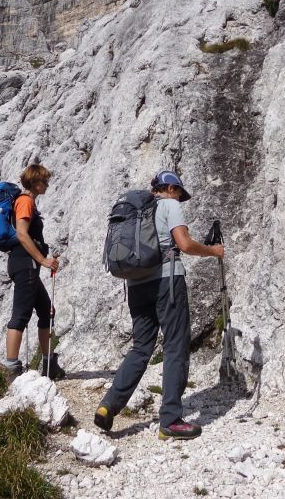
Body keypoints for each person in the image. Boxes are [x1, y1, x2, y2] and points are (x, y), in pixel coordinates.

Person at [94, 170, 224, 440]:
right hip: (167, 281)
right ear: (172, 189)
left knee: (141, 347)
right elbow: (185, 244)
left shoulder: (137, 210)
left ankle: (108, 405)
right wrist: (214, 252)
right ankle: (171, 420)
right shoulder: (170, 206)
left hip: (136, 284)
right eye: (179, 193)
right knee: (175, 344)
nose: (179, 197)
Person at [3, 163, 66, 379]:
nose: (47, 184)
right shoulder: (25, 201)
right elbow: (22, 234)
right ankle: (11, 369)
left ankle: (49, 364)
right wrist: (42, 260)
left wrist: (43, 258)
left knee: (47, 311)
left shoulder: (28, 202)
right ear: (34, 182)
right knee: (20, 315)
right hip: (25, 264)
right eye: (44, 181)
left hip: (27, 264)